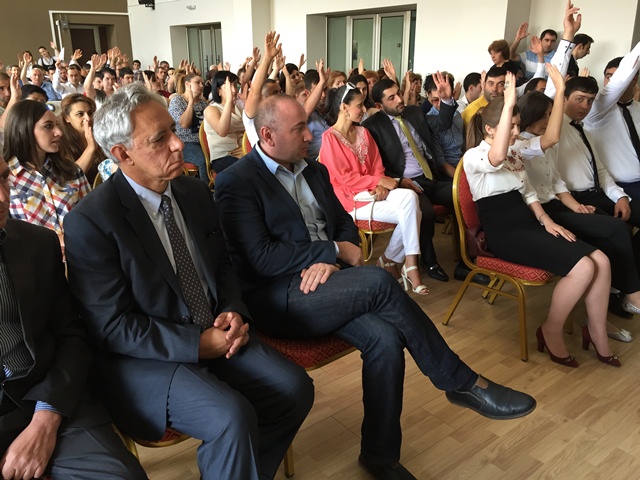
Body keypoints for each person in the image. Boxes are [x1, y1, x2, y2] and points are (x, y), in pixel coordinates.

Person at [214, 93, 536, 480]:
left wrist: (332, 258)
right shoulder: (237, 181)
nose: (310, 136)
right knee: (380, 280)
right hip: (279, 297)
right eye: (299, 129)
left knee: (385, 338)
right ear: (267, 135)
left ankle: (380, 457)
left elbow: (344, 224)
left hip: (328, 282)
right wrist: (331, 250)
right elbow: (260, 259)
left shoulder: (313, 170)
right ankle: (461, 382)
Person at [63, 84, 313, 480]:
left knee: (294, 389)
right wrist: (195, 344)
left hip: (215, 330)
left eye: (173, 131)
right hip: (146, 358)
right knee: (231, 416)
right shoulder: (91, 221)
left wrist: (232, 310)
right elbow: (111, 327)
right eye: (159, 139)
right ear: (122, 154)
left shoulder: (194, 192)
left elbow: (222, 266)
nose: (179, 144)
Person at [0, 155, 146, 480]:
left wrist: (46, 418)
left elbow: (72, 336)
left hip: (44, 397)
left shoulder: (37, 244)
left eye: (3, 178)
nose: (2, 196)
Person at [464, 72, 619, 368]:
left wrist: (547, 220)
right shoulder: (474, 156)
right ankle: (550, 330)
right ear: (490, 129)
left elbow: (528, 193)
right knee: (584, 267)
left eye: (517, 125)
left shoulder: (514, 154)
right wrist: (509, 102)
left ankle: (597, 332)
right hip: (504, 233)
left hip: (529, 224)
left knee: (601, 260)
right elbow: (495, 158)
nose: (516, 132)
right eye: (511, 126)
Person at [517, 80, 640, 343]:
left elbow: (557, 182)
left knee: (610, 234)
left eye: (551, 115)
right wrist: (560, 88)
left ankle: (601, 315)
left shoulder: (549, 143)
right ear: (531, 117)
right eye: (547, 116)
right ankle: (630, 292)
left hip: (561, 204)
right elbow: (530, 193)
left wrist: (577, 207)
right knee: (614, 230)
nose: (551, 121)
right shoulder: (522, 146)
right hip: (540, 214)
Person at [320, 84, 428, 294]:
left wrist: (379, 183)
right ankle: (395, 262)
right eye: (359, 105)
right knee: (412, 213)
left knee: (409, 199)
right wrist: (377, 181)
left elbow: (377, 165)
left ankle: (406, 261)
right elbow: (343, 177)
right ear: (344, 107)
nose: (364, 109)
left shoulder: (363, 132)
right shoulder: (329, 138)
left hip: (374, 192)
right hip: (351, 201)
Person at [363, 77, 454, 281]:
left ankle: (470, 258)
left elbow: (442, 124)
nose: (399, 99)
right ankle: (428, 261)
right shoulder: (372, 126)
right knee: (426, 213)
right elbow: (374, 164)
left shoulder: (413, 112)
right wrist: (397, 180)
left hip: (430, 177)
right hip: (405, 183)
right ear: (379, 105)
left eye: (398, 93)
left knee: (463, 196)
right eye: (391, 98)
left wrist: (447, 100)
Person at [3, 100, 90, 250]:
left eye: (57, 125)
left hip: (79, 254)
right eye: (48, 126)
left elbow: (92, 215)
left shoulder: (71, 171)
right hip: (34, 259)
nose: (59, 132)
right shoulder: (7, 177)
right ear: (25, 129)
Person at [168, 73, 209, 181]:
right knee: (202, 161)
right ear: (187, 84)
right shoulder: (177, 101)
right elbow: (184, 124)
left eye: (202, 83)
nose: (201, 86)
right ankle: (205, 189)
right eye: (197, 83)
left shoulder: (203, 104)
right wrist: (190, 102)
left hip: (205, 141)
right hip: (186, 143)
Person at [57, 93, 106, 184]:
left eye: (90, 113)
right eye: (80, 114)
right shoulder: (60, 142)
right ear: (67, 118)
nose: (88, 118)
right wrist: (90, 147)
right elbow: (72, 178)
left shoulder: (100, 132)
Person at [203, 71, 245, 173]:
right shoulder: (211, 109)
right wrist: (229, 101)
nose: (234, 90)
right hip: (222, 157)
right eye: (229, 87)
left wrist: (246, 150)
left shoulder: (239, 109)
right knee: (248, 169)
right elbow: (222, 131)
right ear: (219, 91)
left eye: (235, 85)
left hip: (243, 152)